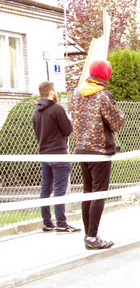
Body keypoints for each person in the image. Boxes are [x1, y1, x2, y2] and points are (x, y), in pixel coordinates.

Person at [70, 60, 125, 250]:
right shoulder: (103, 95)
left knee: (88, 192)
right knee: (99, 193)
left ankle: (88, 235)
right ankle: (92, 238)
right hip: (100, 151)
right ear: (106, 75)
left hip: (81, 149)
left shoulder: (76, 93)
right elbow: (117, 123)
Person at [31, 81, 80, 233]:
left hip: (44, 155)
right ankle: (61, 223)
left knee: (46, 188)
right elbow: (67, 130)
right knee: (60, 189)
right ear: (51, 92)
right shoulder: (57, 109)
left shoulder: (36, 112)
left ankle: (47, 222)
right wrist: (70, 120)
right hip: (59, 154)